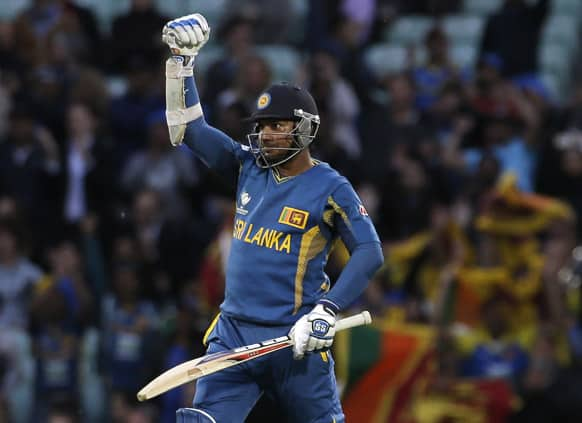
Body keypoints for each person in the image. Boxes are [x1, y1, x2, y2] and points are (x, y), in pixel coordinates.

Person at [160, 14, 384, 423]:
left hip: (295, 339)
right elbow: (187, 130)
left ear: (305, 129)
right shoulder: (246, 166)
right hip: (234, 335)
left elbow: (370, 251)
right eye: (262, 126)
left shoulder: (331, 187)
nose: (265, 135)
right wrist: (181, 64)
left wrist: (326, 311)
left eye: (277, 126)